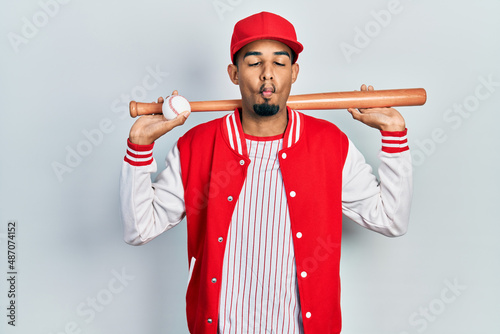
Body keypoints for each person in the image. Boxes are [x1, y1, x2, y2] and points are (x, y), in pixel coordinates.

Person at [120, 11, 412, 334]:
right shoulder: (197, 147)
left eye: (280, 63)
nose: (267, 75)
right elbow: (139, 229)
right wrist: (139, 145)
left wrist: (394, 132)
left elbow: (391, 219)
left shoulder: (330, 146)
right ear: (234, 73)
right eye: (254, 62)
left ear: (294, 72)